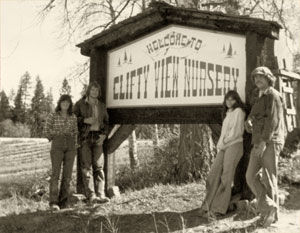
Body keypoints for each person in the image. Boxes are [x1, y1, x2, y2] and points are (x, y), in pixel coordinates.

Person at [245, 66, 285, 227]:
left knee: (269, 178)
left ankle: (271, 217)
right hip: (258, 141)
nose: (257, 80)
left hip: (270, 141)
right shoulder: (260, 96)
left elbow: (272, 121)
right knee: (250, 176)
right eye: (255, 78)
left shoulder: (273, 95)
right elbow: (254, 115)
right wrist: (248, 121)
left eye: (260, 77)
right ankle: (268, 207)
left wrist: (263, 142)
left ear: (268, 78)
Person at [198, 90, 246, 218]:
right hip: (225, 146)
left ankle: (218, 209)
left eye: (232, 99)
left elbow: (236, 132)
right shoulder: (228, 113)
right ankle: (207, 206)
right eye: (227, 99)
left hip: (235, 145)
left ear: (237, 101)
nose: (229, 101)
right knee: (213, 175)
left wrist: (224, 141)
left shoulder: (239, 112)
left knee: (226, 177)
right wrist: (222, 144)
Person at [73, 82, 110, 204]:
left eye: (97, 90)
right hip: (85, 137)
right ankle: (91, 195)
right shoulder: (79, 104)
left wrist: (104, 135)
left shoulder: (102, 106)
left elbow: (106, 122)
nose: (95, 92)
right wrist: (84, 120)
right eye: (92, 90)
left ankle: (101, 194)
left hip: (98, 136)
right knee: (86, 167)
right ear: (88, 91)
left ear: (99, 92)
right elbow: (72, 120)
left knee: (99, 167)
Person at [43, 94, 78, 211]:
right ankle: (53, 202)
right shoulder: (53, 115)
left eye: (68, 102)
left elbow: (76, 132)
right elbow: (46, 131)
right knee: (55, 174)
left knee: (67, 175)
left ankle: (64, 201)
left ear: (70, 104)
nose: (65, 104)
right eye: (63, 102)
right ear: (59, 103)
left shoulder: (73, 117)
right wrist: (56, 133)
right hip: (57, 144)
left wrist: (75, 145)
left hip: (71, 145)